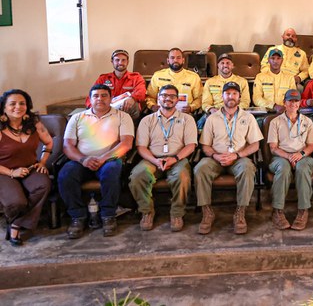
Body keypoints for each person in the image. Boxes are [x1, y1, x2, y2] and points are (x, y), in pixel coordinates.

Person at [59, 84, 135, 239]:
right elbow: (68, 146)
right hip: (82, 160)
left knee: (111, 171)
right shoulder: (77, 117)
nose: (100, 99)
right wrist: (83, 159)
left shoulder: (122, 116)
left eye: (104, 95)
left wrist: (103, 158)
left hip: (109, 159)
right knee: (65, 175)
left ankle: (108, 215)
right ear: (90, 99)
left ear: (110, 98)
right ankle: (78, 216)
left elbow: (126, 144)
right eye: (96, 96)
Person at [195, 82, 261, 235]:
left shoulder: (248, 117)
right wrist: (215, 155)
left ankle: (240, 211)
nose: (231, 96)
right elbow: (205, 145)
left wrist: (236, 155)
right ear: (222, 96)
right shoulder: (212, 118)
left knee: (248, 168)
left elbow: (255, 145)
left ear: (239, 97)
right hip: (215, 158)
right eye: (228, 93)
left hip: (238, 158)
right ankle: (207, 212)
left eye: (234, 94)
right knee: (200, 168)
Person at [128, 84, 197, 232]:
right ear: (158, 99)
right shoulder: (147, 120)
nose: (168, 99)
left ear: (177, 100)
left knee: (182, 177)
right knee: (137, 176)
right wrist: (155, 161)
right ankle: (147, 211)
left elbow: (191, 145)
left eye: (172, 96)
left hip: (177, 158)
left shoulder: (187, 119)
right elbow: (141, 147)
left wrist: (175, 158)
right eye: (164, 96)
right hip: (152, 159)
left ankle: (177, 213)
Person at [0, 89, 52, 246]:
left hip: (29, 168)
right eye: (13, 104)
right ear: (3, 107)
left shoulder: (34, 123)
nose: (18, 107)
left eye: (22, 103)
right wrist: (11, 172)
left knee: (44, 184)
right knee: (17, 203)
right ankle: (19, 219)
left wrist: (42, 162)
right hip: (4, 171)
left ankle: (16, 225)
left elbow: (49, 142)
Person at [268, 89, 313, 231]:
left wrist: (300, 154)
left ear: (300, 103)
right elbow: (273, 147)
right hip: (281, 156)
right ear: (284, 103)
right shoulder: (275, 122)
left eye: (296, 101)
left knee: (302, 168)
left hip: (302, 155)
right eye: (290, 101)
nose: (293, 104)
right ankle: (277, 210)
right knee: (283, 168)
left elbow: (311, 146)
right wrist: (288, 156)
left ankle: (303, 210)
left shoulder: (307, 121)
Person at [87, 49, 146, 119]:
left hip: (126, 110)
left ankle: (131, 128)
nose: (120, 63)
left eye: (123, 60)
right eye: (117, 60)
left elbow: (141, 92)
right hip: (107, 109)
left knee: (135, 105)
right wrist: (92, 108)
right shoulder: (103, 78)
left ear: (127, 62)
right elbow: (91, 95)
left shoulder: (136, 77)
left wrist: (132, 98)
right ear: (112, 62)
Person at [146, 48, 203, 114]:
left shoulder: (193, 77)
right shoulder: (158, 75)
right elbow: (150, 96)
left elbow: (199, 98)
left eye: (178, 58)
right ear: (168, 61)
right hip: (161, 113)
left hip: (185, 114)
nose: (175, 60)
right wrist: (152, 106)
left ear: (183, 60)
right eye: (172, 58)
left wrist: (191, 107)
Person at [201, 53, 251, 125]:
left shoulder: (242, 82)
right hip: (216, 113)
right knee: (200, 124)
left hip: (236, 113)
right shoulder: (210, 82)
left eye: (228, 63)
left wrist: (233, 111)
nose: (225, 65)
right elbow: (205, 103)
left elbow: (245, 102)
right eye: (222, 63)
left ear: (232, 65)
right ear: (218, 65)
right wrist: (211, 109)